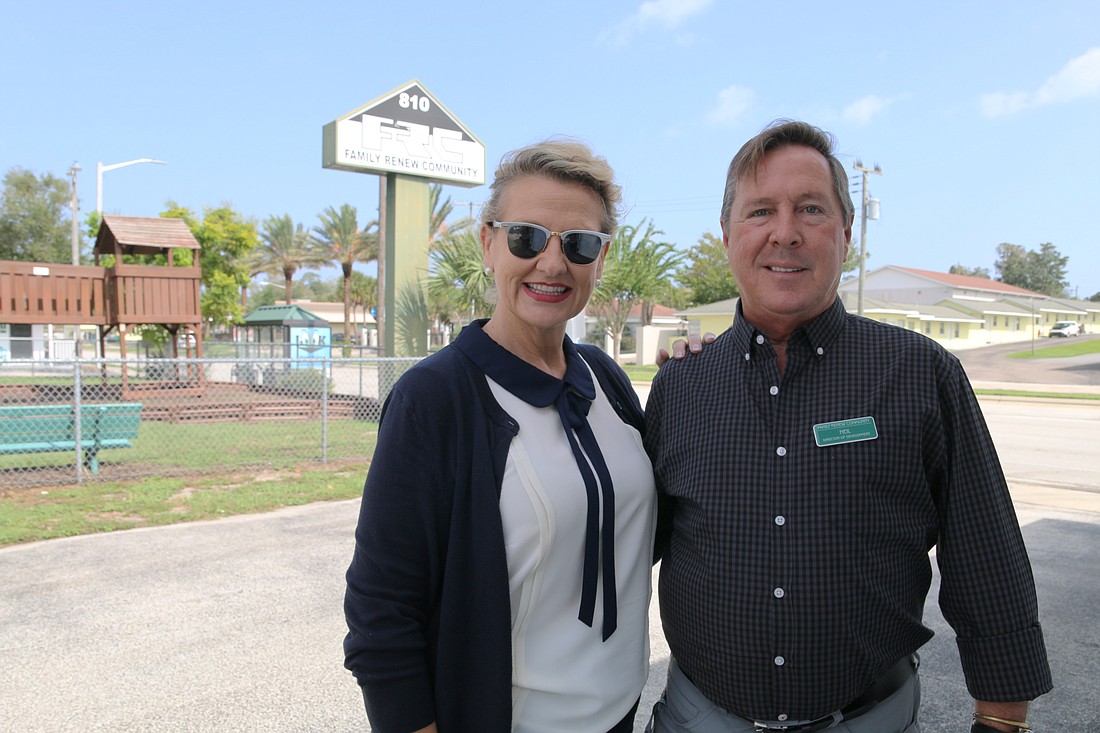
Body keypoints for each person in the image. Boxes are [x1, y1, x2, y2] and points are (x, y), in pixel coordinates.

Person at [643, 120, 1052, 733]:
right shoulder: (681, 385)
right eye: (760, 211)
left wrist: (1003, 716)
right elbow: (622, 547)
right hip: (699, 715)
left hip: (872, 716)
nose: (785, 232)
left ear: (848, 232)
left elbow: (983, 551)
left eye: (810, 208)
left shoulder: (920, 373)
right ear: (727, 234)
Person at [343, 139, 656, 733]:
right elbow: (380, 611)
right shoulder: (435, 399)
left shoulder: (605, 377)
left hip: (620, 713)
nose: (552, 263)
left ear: (601, 258)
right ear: (488, 243)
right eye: (527, 237)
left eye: (580, 244)